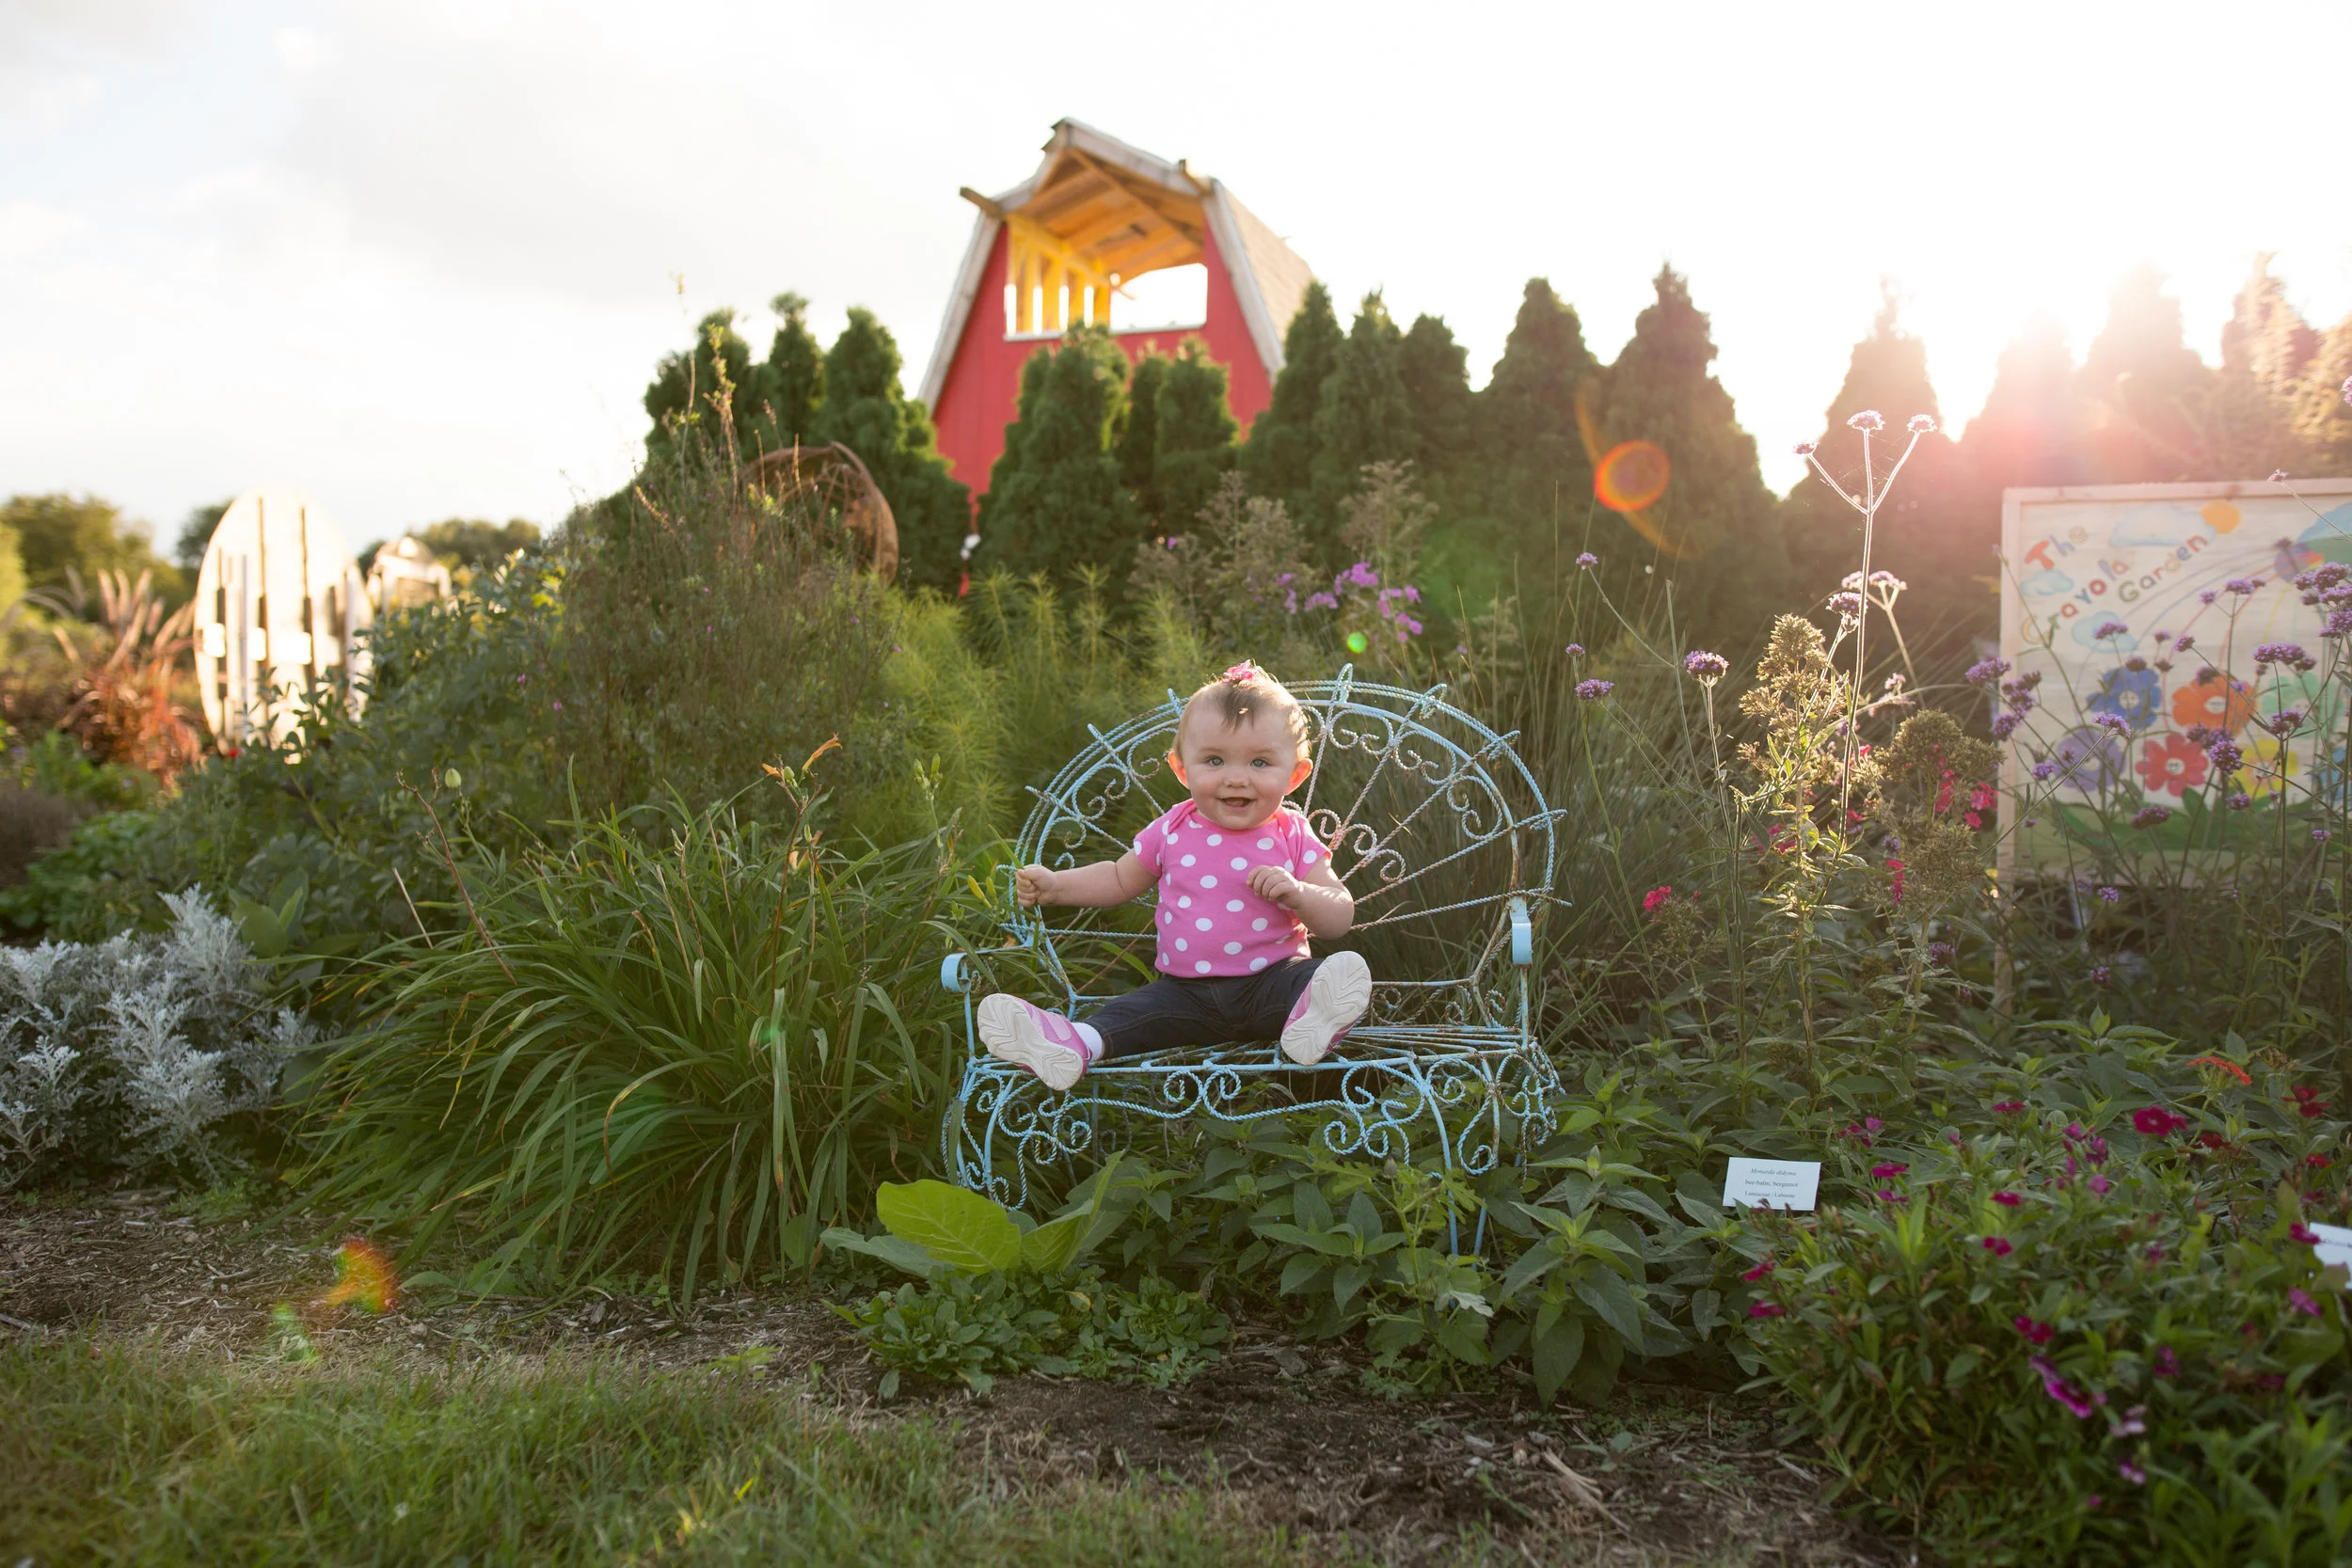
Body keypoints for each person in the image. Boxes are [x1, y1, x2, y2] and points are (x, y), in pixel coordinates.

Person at [977, 662, 1373, 1091]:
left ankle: (1313, 1020)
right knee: (1129, 1015)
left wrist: (1299, 894)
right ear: (1182, 769)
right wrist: (1058, 886)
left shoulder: (1292, 833)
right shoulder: (1171, 829)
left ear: (1294, 774)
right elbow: (1117, 878)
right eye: (1215, 760)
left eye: (1260, 762)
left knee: (1313, 979)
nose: (1236, 777)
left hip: (1272, 983)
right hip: (1184, 995)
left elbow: (1339, 916)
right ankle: (1069, 1044)